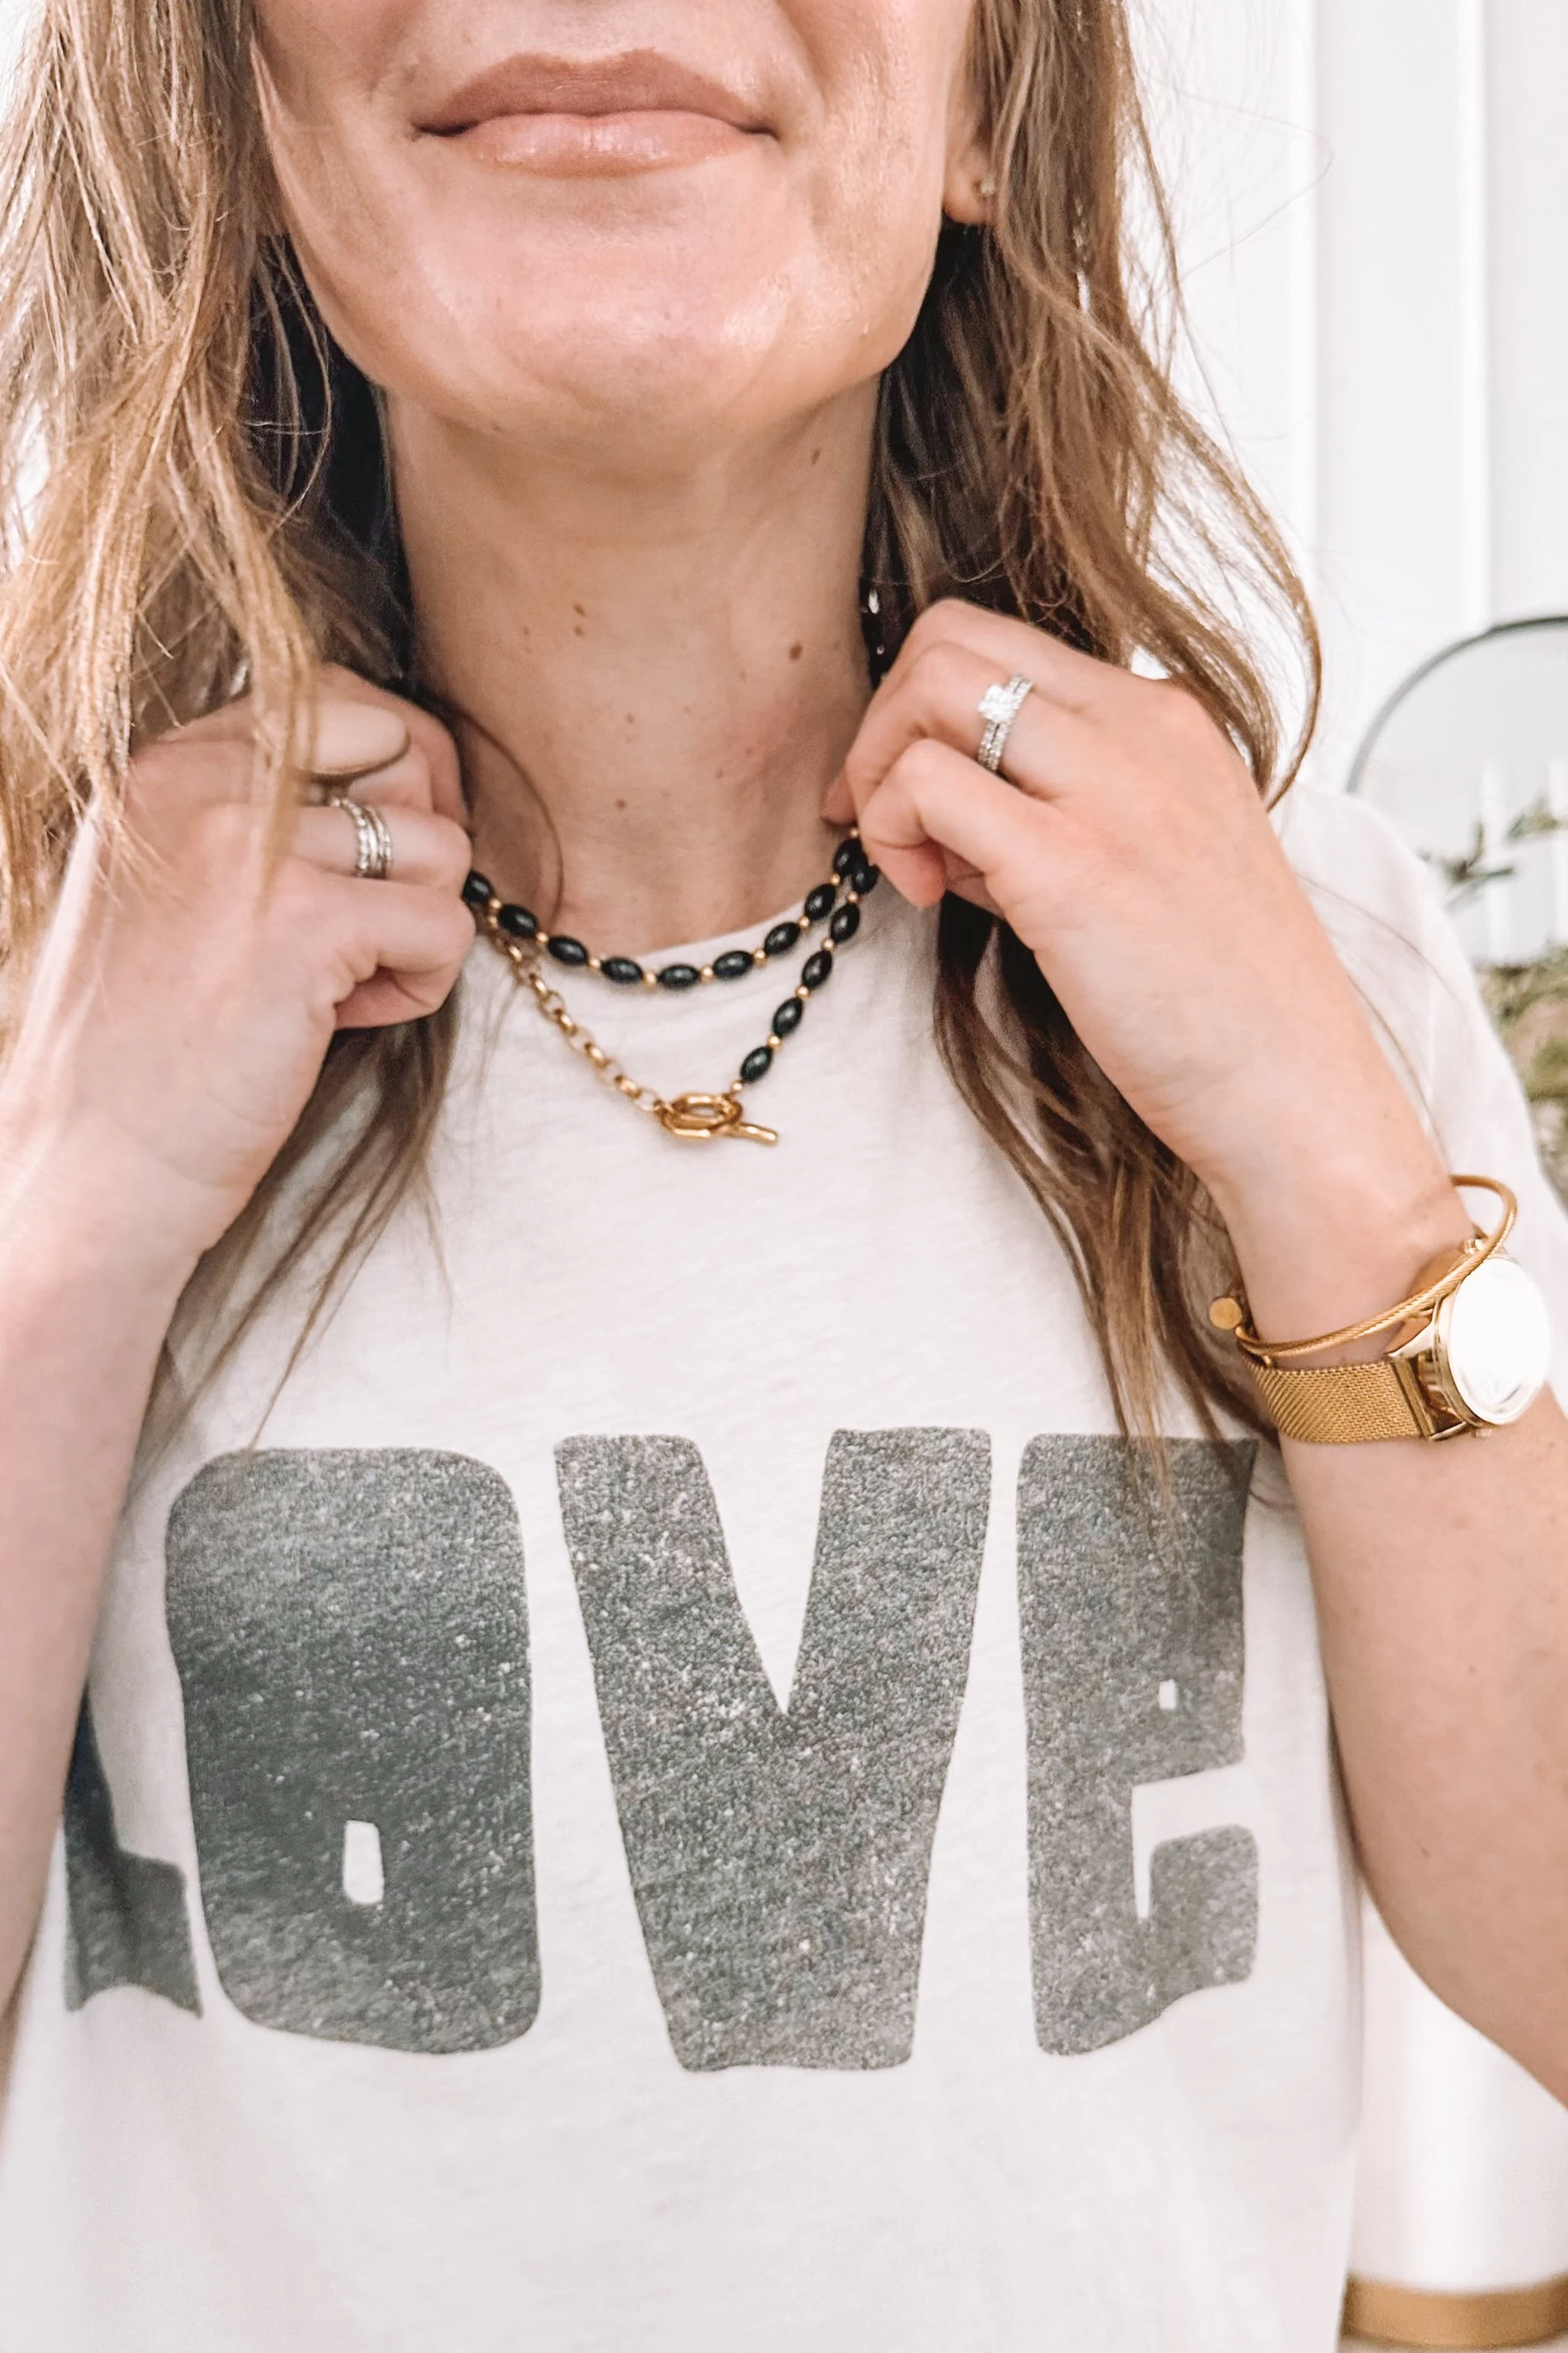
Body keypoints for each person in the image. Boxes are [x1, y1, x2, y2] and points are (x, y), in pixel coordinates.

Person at [0, 2, 1566, 2347]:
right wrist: (72, 1215)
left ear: (987, 100)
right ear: (232, 109)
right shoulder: (53, 970)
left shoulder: (1304, 938)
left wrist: (1321, 1143)